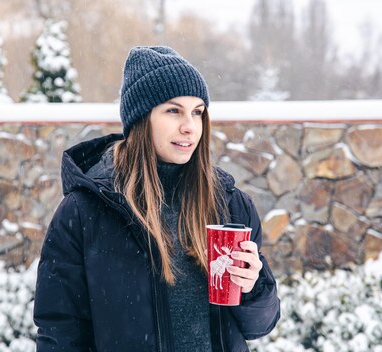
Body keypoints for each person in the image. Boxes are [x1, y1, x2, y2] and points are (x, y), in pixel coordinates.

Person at [34, 46, 280, 352]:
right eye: (173, 110)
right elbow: (60, 333)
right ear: (141, 119)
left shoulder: (229, 205)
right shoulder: (86, 213)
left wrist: (253, 286)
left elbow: (260, 325)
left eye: (198, 112)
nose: (190, 126)